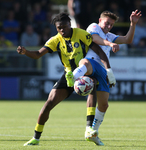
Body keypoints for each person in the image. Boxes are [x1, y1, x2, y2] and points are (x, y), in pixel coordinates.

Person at [17, 12, 114, 146]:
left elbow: (98, 50)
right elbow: (38, 54)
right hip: (68, 74)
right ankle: (36, 137)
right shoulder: (55, 40)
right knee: (49, 103)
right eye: (59, 28)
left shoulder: (80, 34)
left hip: (86, 70)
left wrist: (108, 69)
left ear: (70, 24)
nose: (62, 30)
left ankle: (89, 131)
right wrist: (25, 52)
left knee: (92, 86)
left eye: (64, 26)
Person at [80, 10, 141, 145]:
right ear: (100, 20)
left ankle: (92, 132)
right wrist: (110, 44)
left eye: (111, 25)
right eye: (107, 23)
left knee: (104, 105)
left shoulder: (109, 35)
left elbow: (127, 39)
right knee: (87, 71)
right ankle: (74, 76)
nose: (108, 27)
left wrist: (133, 24)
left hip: (103, 70)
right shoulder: (93, 27)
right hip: (91, 63)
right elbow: (95, 39)